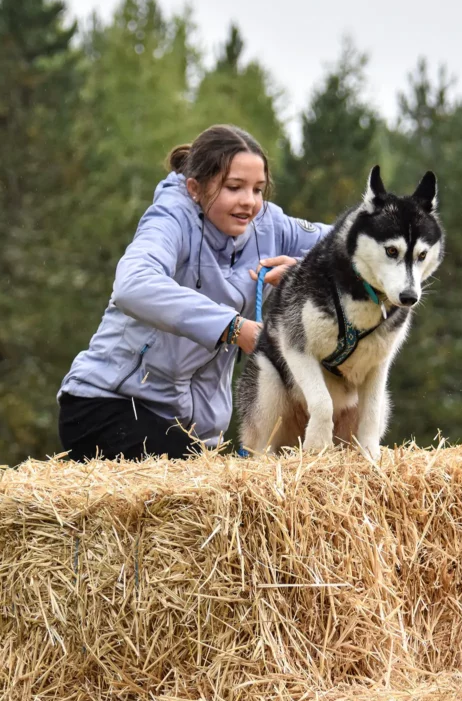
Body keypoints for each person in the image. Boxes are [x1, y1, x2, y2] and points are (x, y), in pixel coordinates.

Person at [58, 124, 328, 461]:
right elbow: (132, 284)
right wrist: (232, 328)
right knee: (210, 497)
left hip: (192, 432)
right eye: (234, 187)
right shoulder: (170, 217)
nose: (249, 202)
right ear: (195, 188)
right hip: (108, 405)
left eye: (258, 189)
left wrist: (306, 270)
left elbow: (360, 247)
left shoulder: (270, 224)